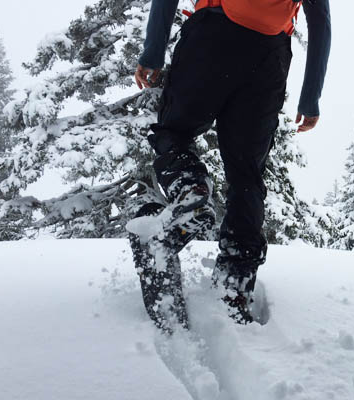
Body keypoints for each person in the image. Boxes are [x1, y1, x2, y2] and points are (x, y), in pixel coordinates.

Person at [132, 0, 331, 326]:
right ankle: (235, 284)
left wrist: (152, 53)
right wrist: (311, 95)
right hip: (270, 56)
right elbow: (320, 19)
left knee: (174, 133)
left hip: (213, 34)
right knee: (247, 175)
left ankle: (190, 194)